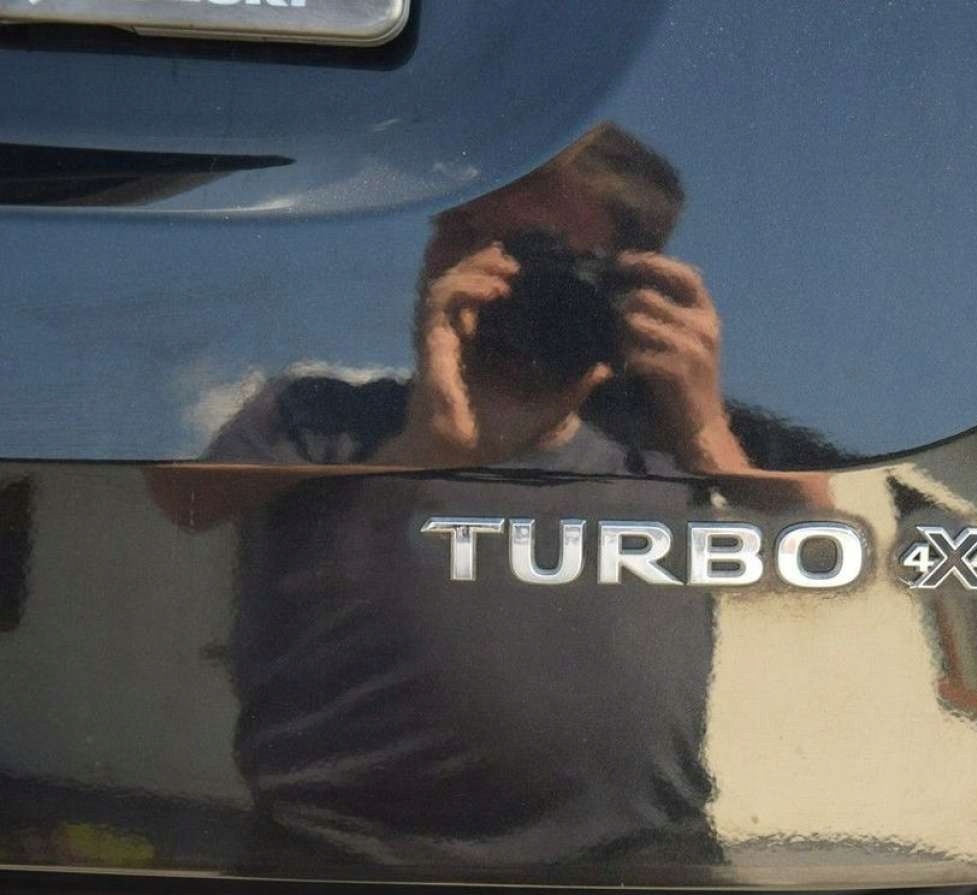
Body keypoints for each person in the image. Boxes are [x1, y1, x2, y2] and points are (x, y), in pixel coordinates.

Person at [148, 124, 831, 877]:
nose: (476, 264)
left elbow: (821, 521)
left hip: (638, 862)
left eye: (537, 252)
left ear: (630, 285)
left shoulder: (665, 426)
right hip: (331, 857)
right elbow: (181, 497)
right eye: (463, 231)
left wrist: (708, 436)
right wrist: (414, 453)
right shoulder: (323, 416)